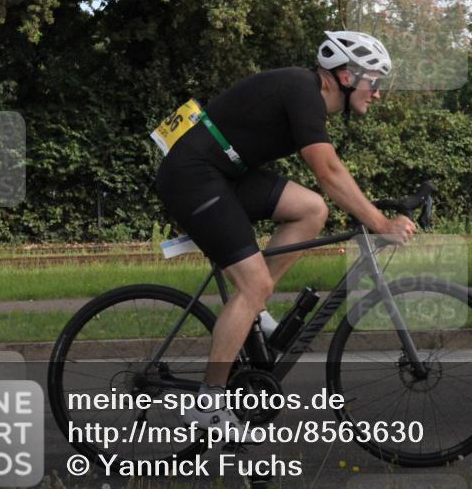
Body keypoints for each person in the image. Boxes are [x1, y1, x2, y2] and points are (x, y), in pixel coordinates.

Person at [154, 31, 417, 438]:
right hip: (194, 176)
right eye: (374, 81)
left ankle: (254, 310)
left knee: (311, 210)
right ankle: (208, 402)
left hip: (224, 172)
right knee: (254, 282)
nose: (377, 93)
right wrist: (379, 224)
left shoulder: (305, 95)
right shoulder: (302, 89)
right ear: (346, 76)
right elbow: (328, 171)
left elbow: (328, 183)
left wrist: (370, 212)